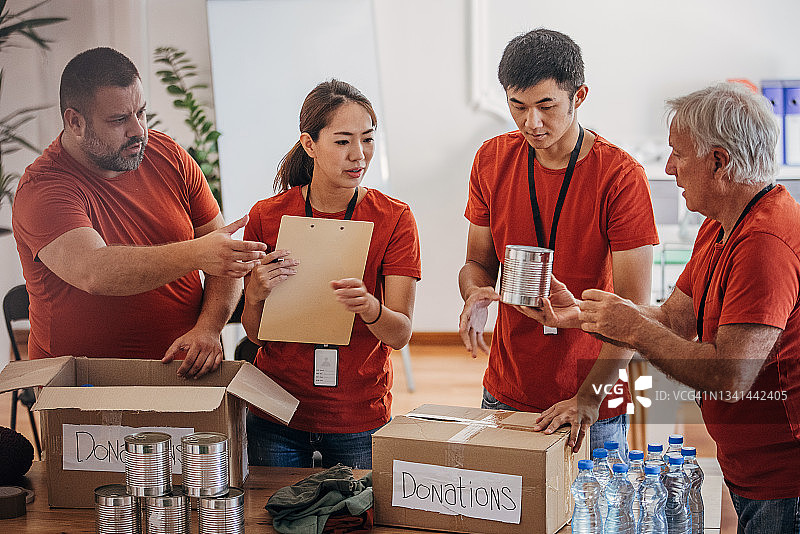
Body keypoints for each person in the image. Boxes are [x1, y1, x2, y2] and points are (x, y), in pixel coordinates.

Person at [530, 82, 800, 532]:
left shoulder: (765, 243)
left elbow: (729, 375)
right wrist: (580, 315)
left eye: (678, 154)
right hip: (750, 467)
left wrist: (632, 330)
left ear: (719, 162)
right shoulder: (720, 226)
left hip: (783, 478)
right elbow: (675, 320)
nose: (669, 167)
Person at [458, 29, 658, 454]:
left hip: (596, 394)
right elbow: (477, 261)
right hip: (508, 386)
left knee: (594, 519)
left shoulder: (620, 176)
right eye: (517, 106)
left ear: (579, 96)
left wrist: (587, 399)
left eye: (546, 106)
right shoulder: (491, 159)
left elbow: (633, 307)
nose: (532, 122)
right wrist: (474, 294)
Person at [12, 47, 267, 378]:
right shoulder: (43, 188)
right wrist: (196, 254)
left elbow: (222, 259)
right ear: (75, 122)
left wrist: (208, 328)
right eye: (119, 120)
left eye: (141, 113)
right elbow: (94, 272)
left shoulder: (169, 155)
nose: (138, 131)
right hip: (81, 385)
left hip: (182, 374)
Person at [241, 79, 421, 469]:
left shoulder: (395, 218)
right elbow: (256, 335)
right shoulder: (266, 216)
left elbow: (401, 334)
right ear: (310, 145)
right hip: (277, 411)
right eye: (343, 142)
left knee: (357, 523)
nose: (359, 155)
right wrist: (254, 294)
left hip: (358, 415)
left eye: (368, 139)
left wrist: (371, 308)